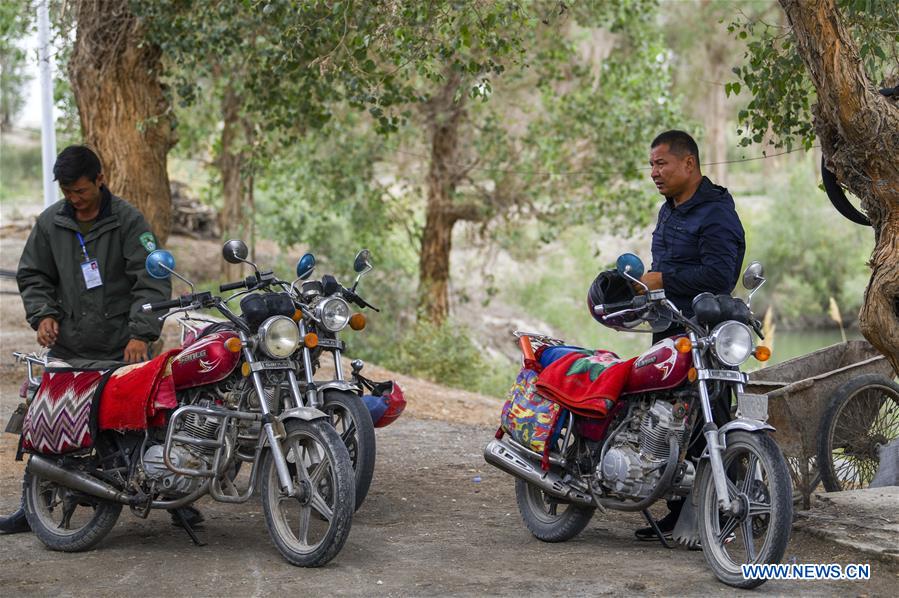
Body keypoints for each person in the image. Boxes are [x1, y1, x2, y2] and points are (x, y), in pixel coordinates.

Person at [0, 145, 200, 533]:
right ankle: (34, 504)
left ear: (100, 179)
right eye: (67, 192)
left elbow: (152, 279)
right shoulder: (50, 224)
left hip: (123, 347)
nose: (74, 199)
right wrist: (43, 315)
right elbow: (33, 275)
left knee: (143, 423)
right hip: (69, 345)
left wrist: (140, 334)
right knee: (48, 420)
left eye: (81, 191)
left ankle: (175, 503)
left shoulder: (129, 221)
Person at [634, 130, 746, 542]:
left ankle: (726, 515)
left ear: (689, 164)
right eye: (651, 165)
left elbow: (720, 276)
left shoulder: (716, 213)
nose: (654, 173)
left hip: (705, 335)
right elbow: (660, 262)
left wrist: (664, 278)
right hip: (667, 327)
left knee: (710, 417)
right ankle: (677, 512)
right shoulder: (670, 210)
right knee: (666, 417)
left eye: (661, 164)